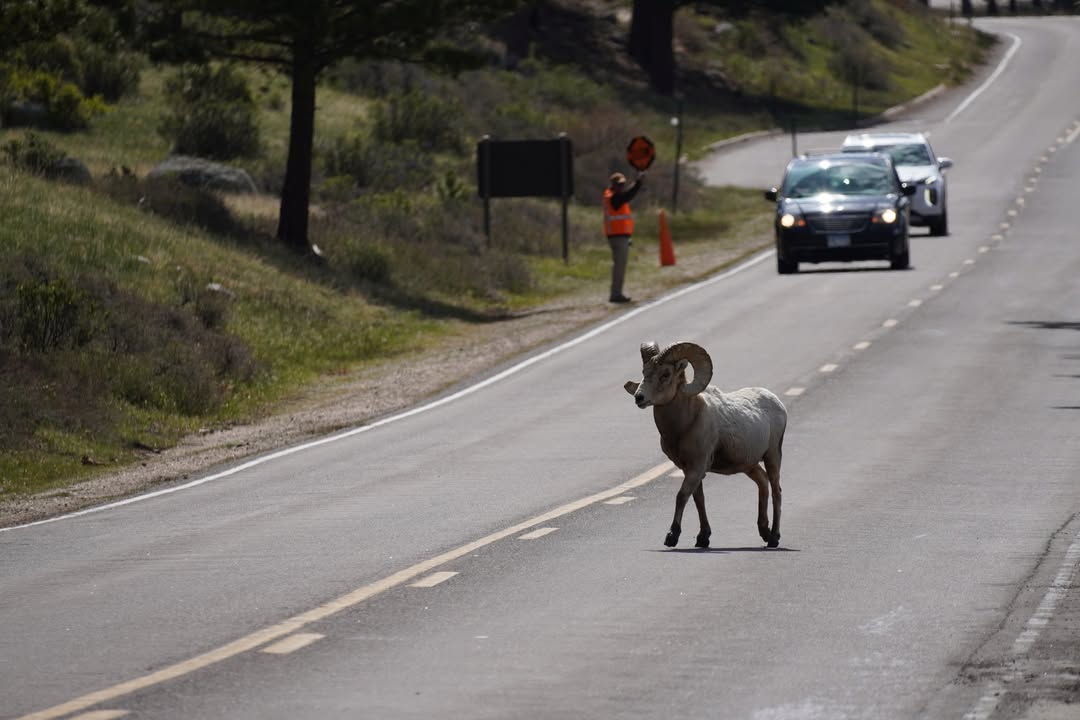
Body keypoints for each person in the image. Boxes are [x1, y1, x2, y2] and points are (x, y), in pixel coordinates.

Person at [602, 170, 645, 303]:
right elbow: (627, 196)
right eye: (619, 184)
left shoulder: (615, 196)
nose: (621, 187)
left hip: (621, 236)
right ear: (613, 185)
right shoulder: (613, 197)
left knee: (620, 265)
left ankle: (617, 292)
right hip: (617, 237)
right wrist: (638, 183)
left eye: (622, 184)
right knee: (619, 266)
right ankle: (616, 294)